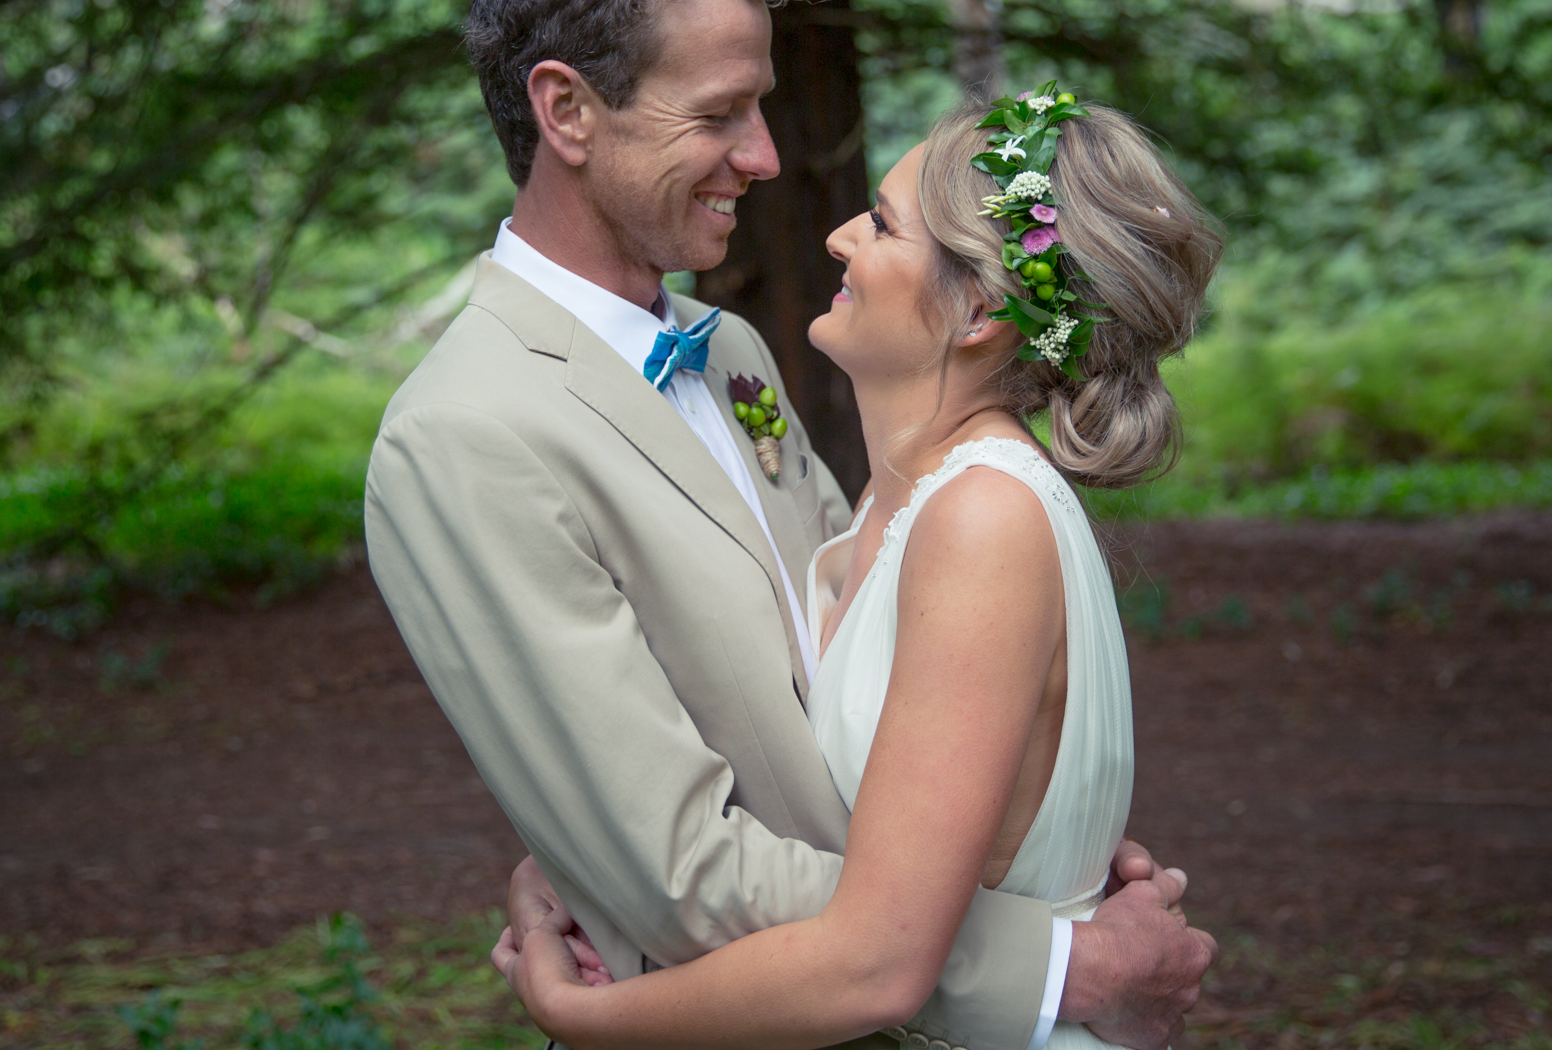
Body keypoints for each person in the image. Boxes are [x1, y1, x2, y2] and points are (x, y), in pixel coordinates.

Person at [363, 0, 1215, 1050]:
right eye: (719, 113)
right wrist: (1053, 956)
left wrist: (1031, 839)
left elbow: (851, 675)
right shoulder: (467, 433)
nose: (763, 156)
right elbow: (679, 870)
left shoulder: (729, 353)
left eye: (758, 106)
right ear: (566, 111)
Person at [491, 84, 1223, 1049]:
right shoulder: (899, 500)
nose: (838, 237)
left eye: (881, 223)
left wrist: (587, 1016)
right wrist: (583, 863)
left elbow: (880, 962)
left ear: (979, 311)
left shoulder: (983, 518)